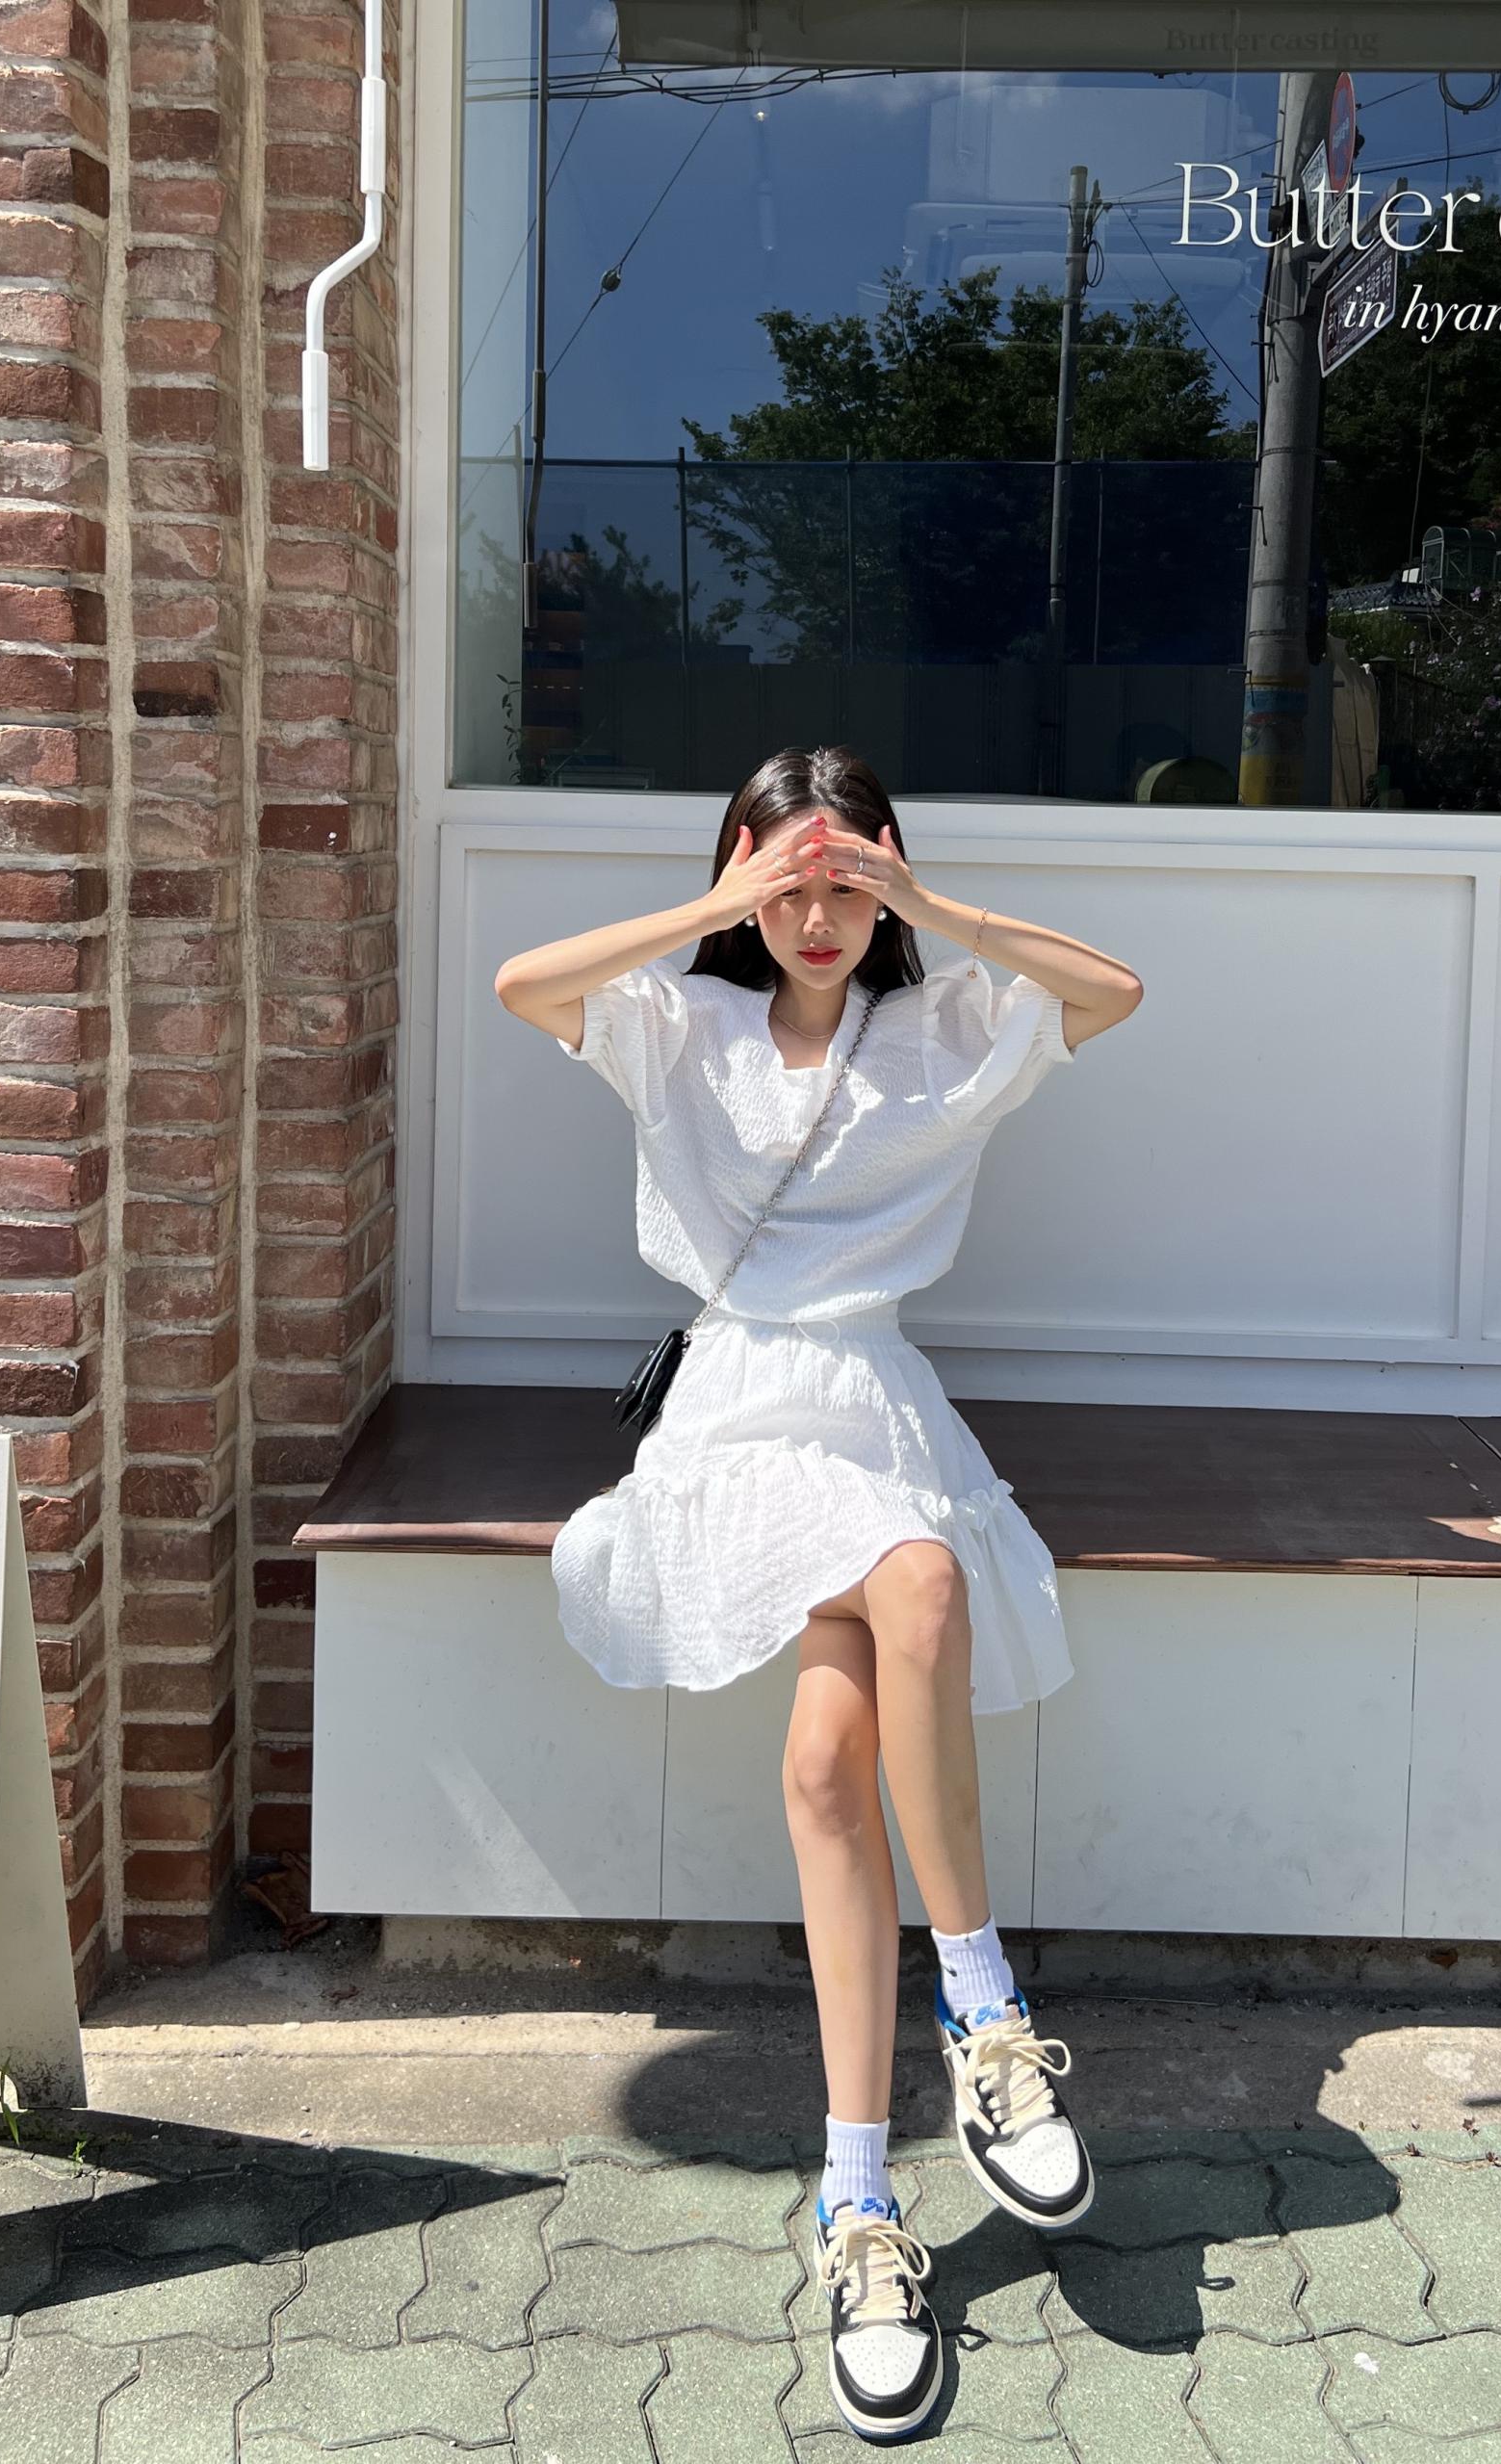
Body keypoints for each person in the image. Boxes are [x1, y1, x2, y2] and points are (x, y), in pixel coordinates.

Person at [495, 745, 1143, 2444]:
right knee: (918, 1585)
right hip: (738, 1409)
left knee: (823, 1764)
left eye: (847, 880)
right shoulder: (681, 1024)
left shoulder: (944, 1030)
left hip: (873, 1397)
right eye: (791, 881)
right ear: (739, 873)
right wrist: (721, 899)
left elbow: (1113, 992)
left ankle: (861, 2199)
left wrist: (921, 898)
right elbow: (522, 985)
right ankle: (982, 2004)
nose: (819, 912)